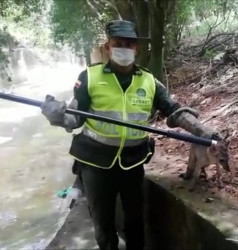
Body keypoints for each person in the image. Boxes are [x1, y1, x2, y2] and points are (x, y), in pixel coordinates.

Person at [40, 20, 219, 250]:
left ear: (137, 49)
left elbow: (174, 111)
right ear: (107, 47)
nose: (123, 48)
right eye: (118, 44)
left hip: (132, 163)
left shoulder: (149, 82)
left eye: (128, 44)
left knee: (135, 221)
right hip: (95, 164)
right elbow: (75, 117)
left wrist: (202, 130)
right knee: (103, 224)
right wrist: (56, 115)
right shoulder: (89, 77)